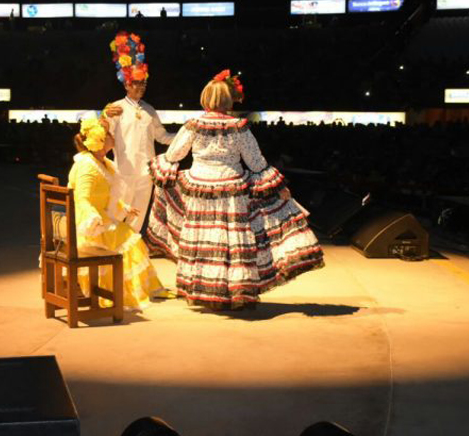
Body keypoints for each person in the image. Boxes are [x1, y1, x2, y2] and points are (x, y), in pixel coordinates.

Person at [147, 71, 324, 310]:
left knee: (205, 240)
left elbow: (173, 155)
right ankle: (235, 291)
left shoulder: (193, 125)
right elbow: (256, 162)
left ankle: (204, 290)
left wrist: (167, 172)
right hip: (232, 188)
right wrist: (278, 188)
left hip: (200, 186)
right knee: (231, 243)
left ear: (206, 98)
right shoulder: (239, 127)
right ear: (229, 100)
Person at [68, 116, 170, 309]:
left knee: (130, 236)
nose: (111, 135)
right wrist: (93, 219)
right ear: (99, 140)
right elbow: (82, 198)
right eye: (107, 133)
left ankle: (128, 289)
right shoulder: (87, 165)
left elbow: (107, 194)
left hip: (101, 218)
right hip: (89, 225)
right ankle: (116, 292)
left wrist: (123, 207)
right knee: (130, 240)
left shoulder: (102, 162)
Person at [102, 31, 175, 232]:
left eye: (144, 83)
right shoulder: (116, 108)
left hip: (146, 174)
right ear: (127, 84)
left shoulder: (149, 110)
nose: (141, 87)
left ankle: (130, 248)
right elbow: (104, 136)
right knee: (116, 214)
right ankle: (109, 247)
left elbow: (162, 137)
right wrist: (103, 117)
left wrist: (187, 134)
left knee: (138, 217)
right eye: (137, 82)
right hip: (123, 172)